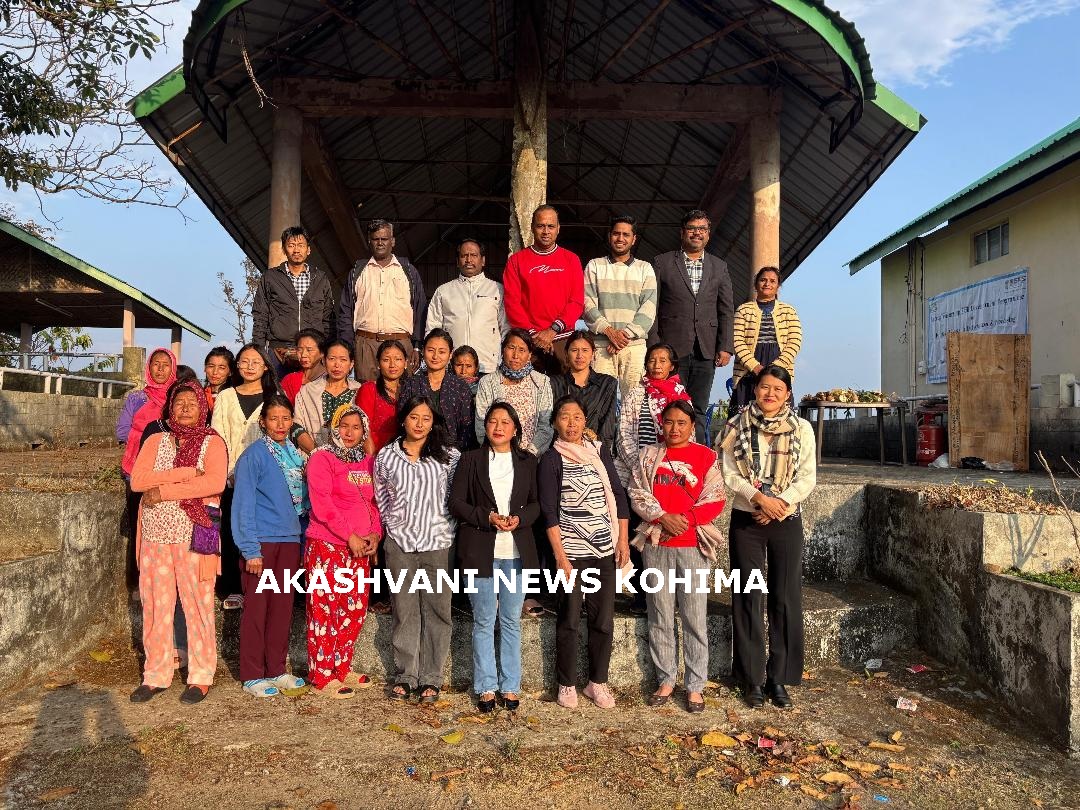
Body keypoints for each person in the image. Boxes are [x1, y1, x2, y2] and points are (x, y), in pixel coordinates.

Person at [718, 366, 816, 710]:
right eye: (764, 387)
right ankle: (751, 679)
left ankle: (779, 678)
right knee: (748, 597)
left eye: (777, 388)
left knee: (785, 597)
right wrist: (760, 500)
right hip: (748, 519)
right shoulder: (737, 425)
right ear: (755, 390)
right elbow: (729, 473)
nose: (770, 394)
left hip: (786, 519)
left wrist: (780, 506)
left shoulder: (802, 428)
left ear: (787, 394)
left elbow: (807, 477)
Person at [128, 380, 227, 705]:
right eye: (179, 402)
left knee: (198, 605)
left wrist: (166, 491)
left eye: (192, 403)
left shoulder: (212, 443)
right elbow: (139, 481)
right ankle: (155, 674)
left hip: (196, 535)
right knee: (155, 605)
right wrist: (184, 474)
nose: (185, 408)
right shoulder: (155, 440)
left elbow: (214, 482)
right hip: (155, 536)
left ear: (203, 407)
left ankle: (200, 676)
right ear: (170, 407)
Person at [628, 400, 725, 713]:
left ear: (692, 426)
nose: (674, 428)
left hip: (693, 546)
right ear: (661, 424)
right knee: (660, 615)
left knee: (695, 618)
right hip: (657, 546)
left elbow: (715, 498)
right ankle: (666, 678)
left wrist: (683, 520)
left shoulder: (706, 457)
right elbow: (637, 492)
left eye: (681, 423)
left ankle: (695, 685)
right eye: (668, 422)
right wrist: (661, 517)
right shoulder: (648, 456)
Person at [539, 395, 630, 710]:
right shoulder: (551, 460)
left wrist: (622, 542)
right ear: (555, 423)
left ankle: (597, 682)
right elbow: (549, 512)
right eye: (565, 417)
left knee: (603, 620)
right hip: (571, 554)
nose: (572, 423)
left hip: (604, 550)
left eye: (577, 416)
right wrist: (561, 557)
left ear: (585, 421)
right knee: (569, 619)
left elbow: (617, 494)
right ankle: (566, 683)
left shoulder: (598, 453)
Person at [450, 402, 540, 712]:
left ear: (515, 429)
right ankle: (486, 686)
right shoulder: (471, 460)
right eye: (492, 421)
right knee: (484, 620)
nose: (498, 427)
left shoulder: (528, 462)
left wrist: (520, 518)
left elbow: (536, 504)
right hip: (480, 551)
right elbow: (456, 502)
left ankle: (510, 685)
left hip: (516, 553)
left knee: (511, 620)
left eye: (505, 422)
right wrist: (485, 516)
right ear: (485, 427)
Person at [375, 396, 460, 703]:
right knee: (404, 609)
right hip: (400, 544)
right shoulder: (386, 456)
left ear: (433, 421)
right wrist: (392, 529)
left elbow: (454, 497)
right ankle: (406, 674)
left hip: (437, 543)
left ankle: (432, 677)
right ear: (403, 420)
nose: (420, 424)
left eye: (426, 418)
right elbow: (381, 497)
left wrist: (445, 528)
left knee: (438, 610)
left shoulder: (449, 456)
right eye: (414, 417)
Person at [231, 393, 309, 698]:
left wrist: (302, 545)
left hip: (289, 543)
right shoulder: (253, 456)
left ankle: (276, 669)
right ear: (263, 422)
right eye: (274, 418)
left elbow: (302, 506)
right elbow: (243, 504)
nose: (280, 424)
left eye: (286, 418)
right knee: (257, 609)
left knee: (282, 608)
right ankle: (252, 673)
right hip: (262, 543)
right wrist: (250, 549)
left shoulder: (295, 456)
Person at [305, 404, 381, 698]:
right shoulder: (321, 458)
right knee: (325, 610)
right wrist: (349, 536)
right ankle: (322, 676)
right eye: (343, 426)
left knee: (354, 609)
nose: (349, 433)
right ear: (334, 427)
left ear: (364, 431)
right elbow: (323, 505)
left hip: (360, 549)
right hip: (328, 545)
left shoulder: (368, 461)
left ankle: (341, 667)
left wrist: (375, 534)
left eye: (356, 427)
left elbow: (374, 504)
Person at [649, 209, 735, 442]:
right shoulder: (662, 262)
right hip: (671, 350)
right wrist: (655, 346)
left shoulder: (719, 266)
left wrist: (725, 346)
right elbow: (652, 307)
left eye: (702, 229)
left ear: (708, 234)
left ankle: (697, 459)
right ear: (682, 233)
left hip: (706, 350)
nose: (697, 233)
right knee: (670, 404)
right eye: (692, 228)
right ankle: (666, 457)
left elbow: (726, 308)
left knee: (698, 406)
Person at [212, 344, 279, 611]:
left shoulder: (274, 396)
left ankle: (259, 587)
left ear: (265, 366)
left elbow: (278, 434)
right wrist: (229, 472)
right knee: (231, 531)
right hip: (230, 478)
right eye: (244, 361)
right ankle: (233, 587)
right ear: (237, 366)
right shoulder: (226, 396)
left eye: (256, 361)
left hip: (264, 479)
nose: (250, 366)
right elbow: (218, 436)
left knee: (260, 533)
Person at [337, 219, 426, 382]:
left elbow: (420, 310)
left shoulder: (408, 271)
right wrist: (347, 347)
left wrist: (417, 346)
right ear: (369, 241)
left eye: (384, 239)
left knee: (401, 395)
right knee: (366, 393)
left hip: (401, 343)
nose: (380, 243)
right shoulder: (358, 271)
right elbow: (345, 312)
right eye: (375, 239)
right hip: (365, 344)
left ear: (392, 241)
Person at [501, 205, 584, 376]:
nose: (546, 231)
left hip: (562, 339)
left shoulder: (571, 260)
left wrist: (552, 330)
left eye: (550, 226)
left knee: (564, 395)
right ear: (532, 227)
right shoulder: (516, 261)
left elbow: (576, 301)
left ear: (558, 229)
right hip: (528, 341)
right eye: (540, 226)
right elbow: (512, 302)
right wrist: (533, 335)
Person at [583, 216, 658, 395]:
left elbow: (648, 308)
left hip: (634, 346)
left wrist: (622, 337)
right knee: (600, 401)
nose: (620, 238)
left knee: (634, 402)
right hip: (601, 346)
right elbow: (587, 304)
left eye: (626, 234)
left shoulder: (644, 268)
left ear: (634, 239)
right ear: (610, 236)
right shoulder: (595, 266)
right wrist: (610, 332)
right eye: (616, 233)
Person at [251, 226, 336, 378]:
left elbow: (328, 318)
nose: (296, 250)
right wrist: (258, 351)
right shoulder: (270, 277)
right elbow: (260, 315)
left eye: (301, 245)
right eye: (291, 245)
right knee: (278, 398)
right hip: (278, 351)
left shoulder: (321, 278)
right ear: (284, 249)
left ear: (308, 249)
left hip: (313, 353)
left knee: (311, 398)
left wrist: (328, 351)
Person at [426, 239, 509, 374]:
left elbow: (505, 328)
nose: (469, 260)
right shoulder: (443, 291)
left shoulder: (497, 290)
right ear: (458, 261)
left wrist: (502, 360)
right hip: (454, 367)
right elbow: (432, 329)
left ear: (483, 260)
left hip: (488, 366)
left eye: (474, 255)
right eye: (464, 256)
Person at [615, 343, 692, 485]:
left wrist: (668, 469)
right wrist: (640, 468)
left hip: (670, 472)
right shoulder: (635, 394)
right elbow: (623, 435)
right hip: (635, 470)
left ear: (672, 366)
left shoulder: (681, 397)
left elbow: (689, 436)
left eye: (663, 361)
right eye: (652, 360)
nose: (657, 365)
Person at [730, 267, 802, 411]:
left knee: (780, 419)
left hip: (780, 366)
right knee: (744, 417)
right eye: (763, 280)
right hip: (748, 369)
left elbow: (795, 340)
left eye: (772, 281)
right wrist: (755, 367)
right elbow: (737, 342)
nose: (767, 284)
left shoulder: (788, 311)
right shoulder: (743, 310)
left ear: (778, 286)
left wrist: (778, 366)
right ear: (756, 284)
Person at [474, 329, 553, 456]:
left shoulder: (541, 382)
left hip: (531, 458)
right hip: (497, 456)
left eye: (522, 350)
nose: (515, 355)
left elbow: (546, 426)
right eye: (511, 348)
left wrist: (529, 455)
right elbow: (481, 422)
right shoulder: (487, 382)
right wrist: (498, 453)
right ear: (503, 350)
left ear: (529, 355)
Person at [401, 328, 475, 450]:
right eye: (431, 350)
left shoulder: (460, 387)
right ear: (423, 351)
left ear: (450, 354)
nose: (435, 356)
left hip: (453, 454)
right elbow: (403, 422)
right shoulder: (411, 384)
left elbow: (467, 429)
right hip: (416, 451)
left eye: (442, 352)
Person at [549, 330, 618, 448]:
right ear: (566, 353)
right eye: (574, 350)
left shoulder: (607, 384)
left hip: (594, 450)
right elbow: (550, 423)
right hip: (560, 448)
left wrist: (600, 451)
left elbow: (607, 427)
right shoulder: (553, 383)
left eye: (585, 350)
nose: (579, 356)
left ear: (593, 354)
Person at [119, 348, 177, 478]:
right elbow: (123, 430)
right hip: (137, 457)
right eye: (156, 364)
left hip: (168, 458)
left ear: (173, 369)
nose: (160, 369)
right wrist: (139, 441)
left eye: (166, 365)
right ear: (149, 367)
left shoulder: (177, 398)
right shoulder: (137, 397)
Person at [294, 339, 360, 449]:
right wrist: (318, 455)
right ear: (324, 361)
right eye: (332, 359)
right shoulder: (308, 391)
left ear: (351, 364)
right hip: (314, 455)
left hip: (351, 457)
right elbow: (297, 426)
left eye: (343, 360)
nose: (337, 365)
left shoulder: (359, 391)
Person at [357, 339, 408, 455]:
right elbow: (364, 428)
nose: (392, 365)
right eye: (386, 360)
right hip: (374, 453)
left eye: (398, 359)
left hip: (403, 455)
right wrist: (372, 459)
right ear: (378, 364)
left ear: (405, 363)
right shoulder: (369, 389)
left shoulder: (410, 390)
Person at [280, 330, 326, 404]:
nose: (303, 355)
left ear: (322, 353)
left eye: (309, 350)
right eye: (299, 350)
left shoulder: (330, 380)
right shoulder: (289, 380)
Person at [203, 346, 235, 413]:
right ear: (205, 368)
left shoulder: (235, 397)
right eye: (211, 366)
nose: (215, 372)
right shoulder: (200, 395)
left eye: (221, 368)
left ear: (230, 372)